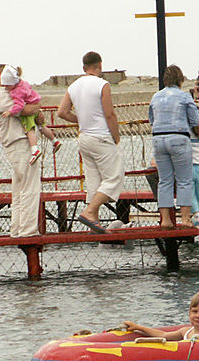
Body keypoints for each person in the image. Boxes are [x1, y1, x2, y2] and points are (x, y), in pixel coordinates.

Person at [56, 51, 125, 233]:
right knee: (114, 176)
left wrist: (81, 119)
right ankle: (90, 211)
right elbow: (109, 114)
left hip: (84, 138)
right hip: (101, 136)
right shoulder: (102, 85)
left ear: (84, 67)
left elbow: (62, 112)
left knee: (94, 180)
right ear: (100, 65)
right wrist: (116, 136)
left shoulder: (74, 86)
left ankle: (93, 220)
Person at [0, 63, 42, 237]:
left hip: (15, 144)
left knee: (19, 189)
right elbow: (29, 110)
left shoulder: (2, 94)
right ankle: (28, 230)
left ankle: (17, 229)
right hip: (19, 143)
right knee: (30, 186)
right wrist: (37, 106)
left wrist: (35, 108)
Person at [148, 64, 199, 229]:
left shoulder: (156, 97)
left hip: (158, 138)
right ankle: (185, 219)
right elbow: (195, 120)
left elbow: (152, 120)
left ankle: (165, 220)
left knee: (164, 180)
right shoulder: (184, 97)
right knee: (184, 180)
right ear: (181, 80)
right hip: (179, 138)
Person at [0, 65, 62, 165]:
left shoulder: (16, 92)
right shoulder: (24, 83)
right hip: (35, 105)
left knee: (29, 130)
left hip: (28, 111)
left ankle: (35, 150)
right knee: (42, 126)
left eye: (7, 85)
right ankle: (54, 141)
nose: (6, 88)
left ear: (12, 83)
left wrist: (10, 112)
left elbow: (19, 105)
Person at [122, 289, 199, 341]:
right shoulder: (185, 331)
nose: (198, 315)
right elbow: (163, 335)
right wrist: (138, 327)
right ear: (189, 312)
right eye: (194, 311)